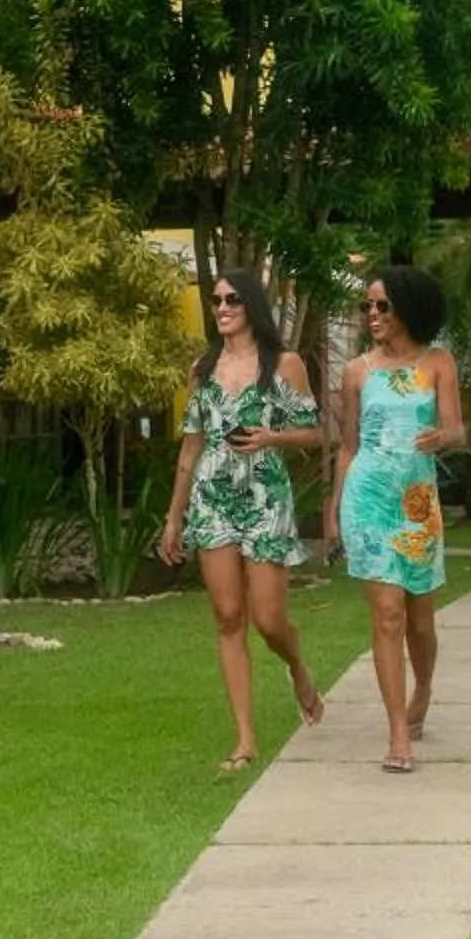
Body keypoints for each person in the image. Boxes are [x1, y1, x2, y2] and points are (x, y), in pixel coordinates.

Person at [160, 267, 326, 774]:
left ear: (251, 304)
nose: (222, 308)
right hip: (212, 498)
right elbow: (190, 448)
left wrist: (272, 438)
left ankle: (297, 666)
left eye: (232, 299)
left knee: (268, 620)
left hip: (265, 496)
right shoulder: (203, 368)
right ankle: (245, 737)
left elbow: (315, 432)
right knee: (228, 617)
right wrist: (173, 521)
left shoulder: (285, 363)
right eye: (216, 301)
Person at [325, 264, 464, 773]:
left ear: (408, 307)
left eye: (382, 306)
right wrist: (335, 508)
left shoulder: (438, 363)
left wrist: (442, 438)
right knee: (387, 615)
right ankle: (397, 734)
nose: (372, 315)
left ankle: (423, 688)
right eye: (367, 306)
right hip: (368, 499)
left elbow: (457, 430)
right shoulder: (357, 371)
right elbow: (347, 446)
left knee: (420, 622)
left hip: (416, 503)